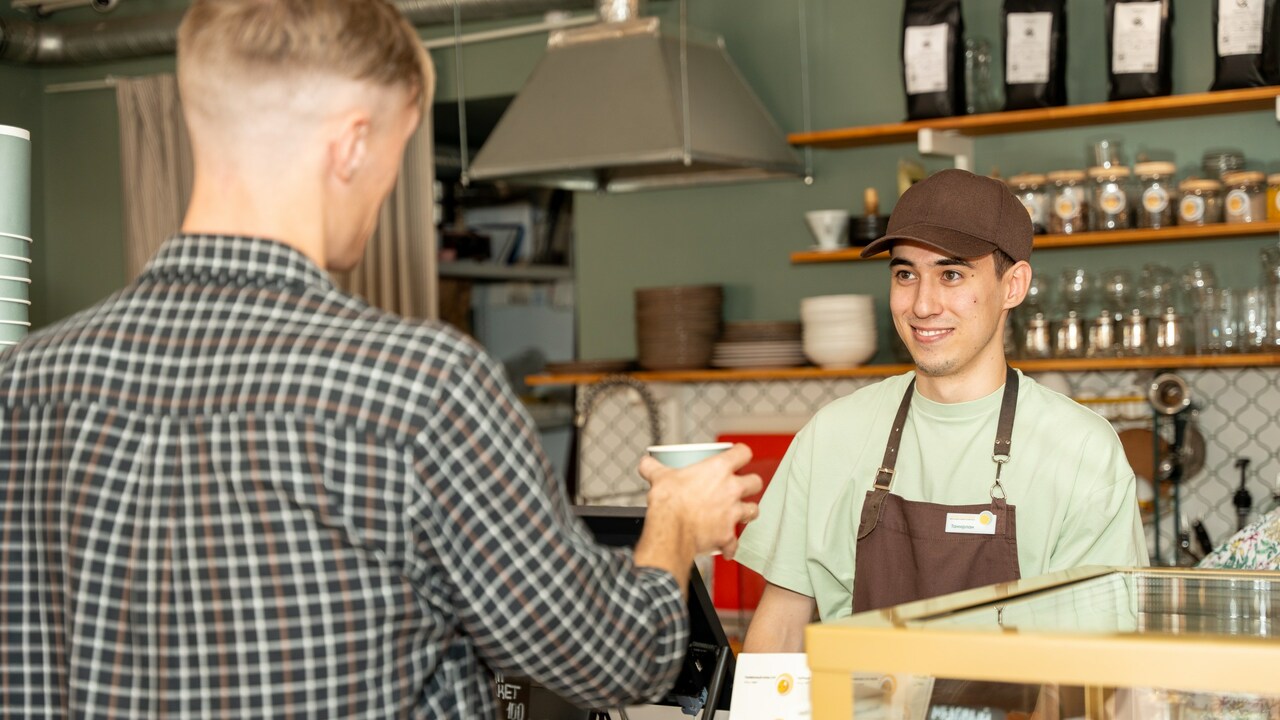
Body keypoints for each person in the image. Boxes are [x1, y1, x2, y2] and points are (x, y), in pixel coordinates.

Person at [0, 1, 761, 718]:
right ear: (353, 143)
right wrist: (675, 524)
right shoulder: (418, 386)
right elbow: (611, 657)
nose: (390, 184)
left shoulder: (23, 387)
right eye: (398, 152)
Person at [737, 169, 1147, 653]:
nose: (922, 304)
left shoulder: (1081, 452)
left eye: (951, 275)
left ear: (1013, 286)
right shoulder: (832, 436)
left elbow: (1091, 668)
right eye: (905, 274)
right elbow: (780, 629)